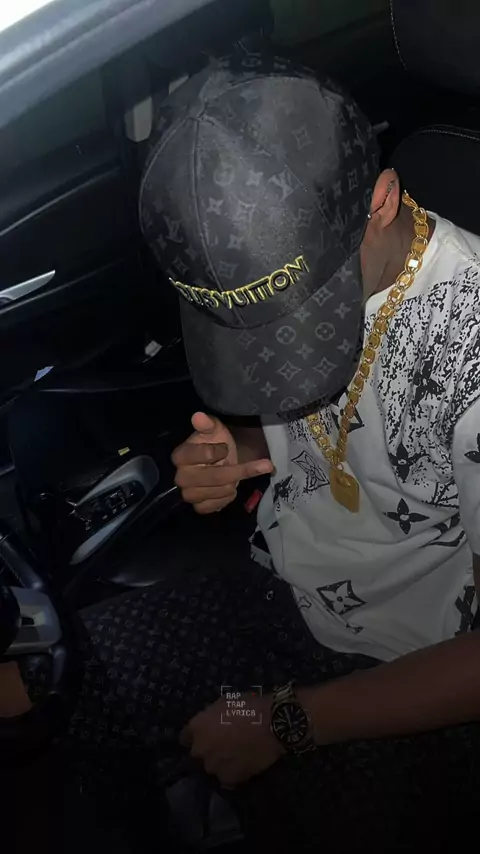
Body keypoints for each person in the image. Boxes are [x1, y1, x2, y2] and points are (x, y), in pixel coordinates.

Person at [4, 51, 480, 851]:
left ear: (381, 201)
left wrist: (287, 720)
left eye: (299, 322)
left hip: (399, 672)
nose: (273, 351)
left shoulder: (471, 349)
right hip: (274, 592)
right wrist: (245, 450)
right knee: (41, 687)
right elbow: (327, 424)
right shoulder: (267, 264)